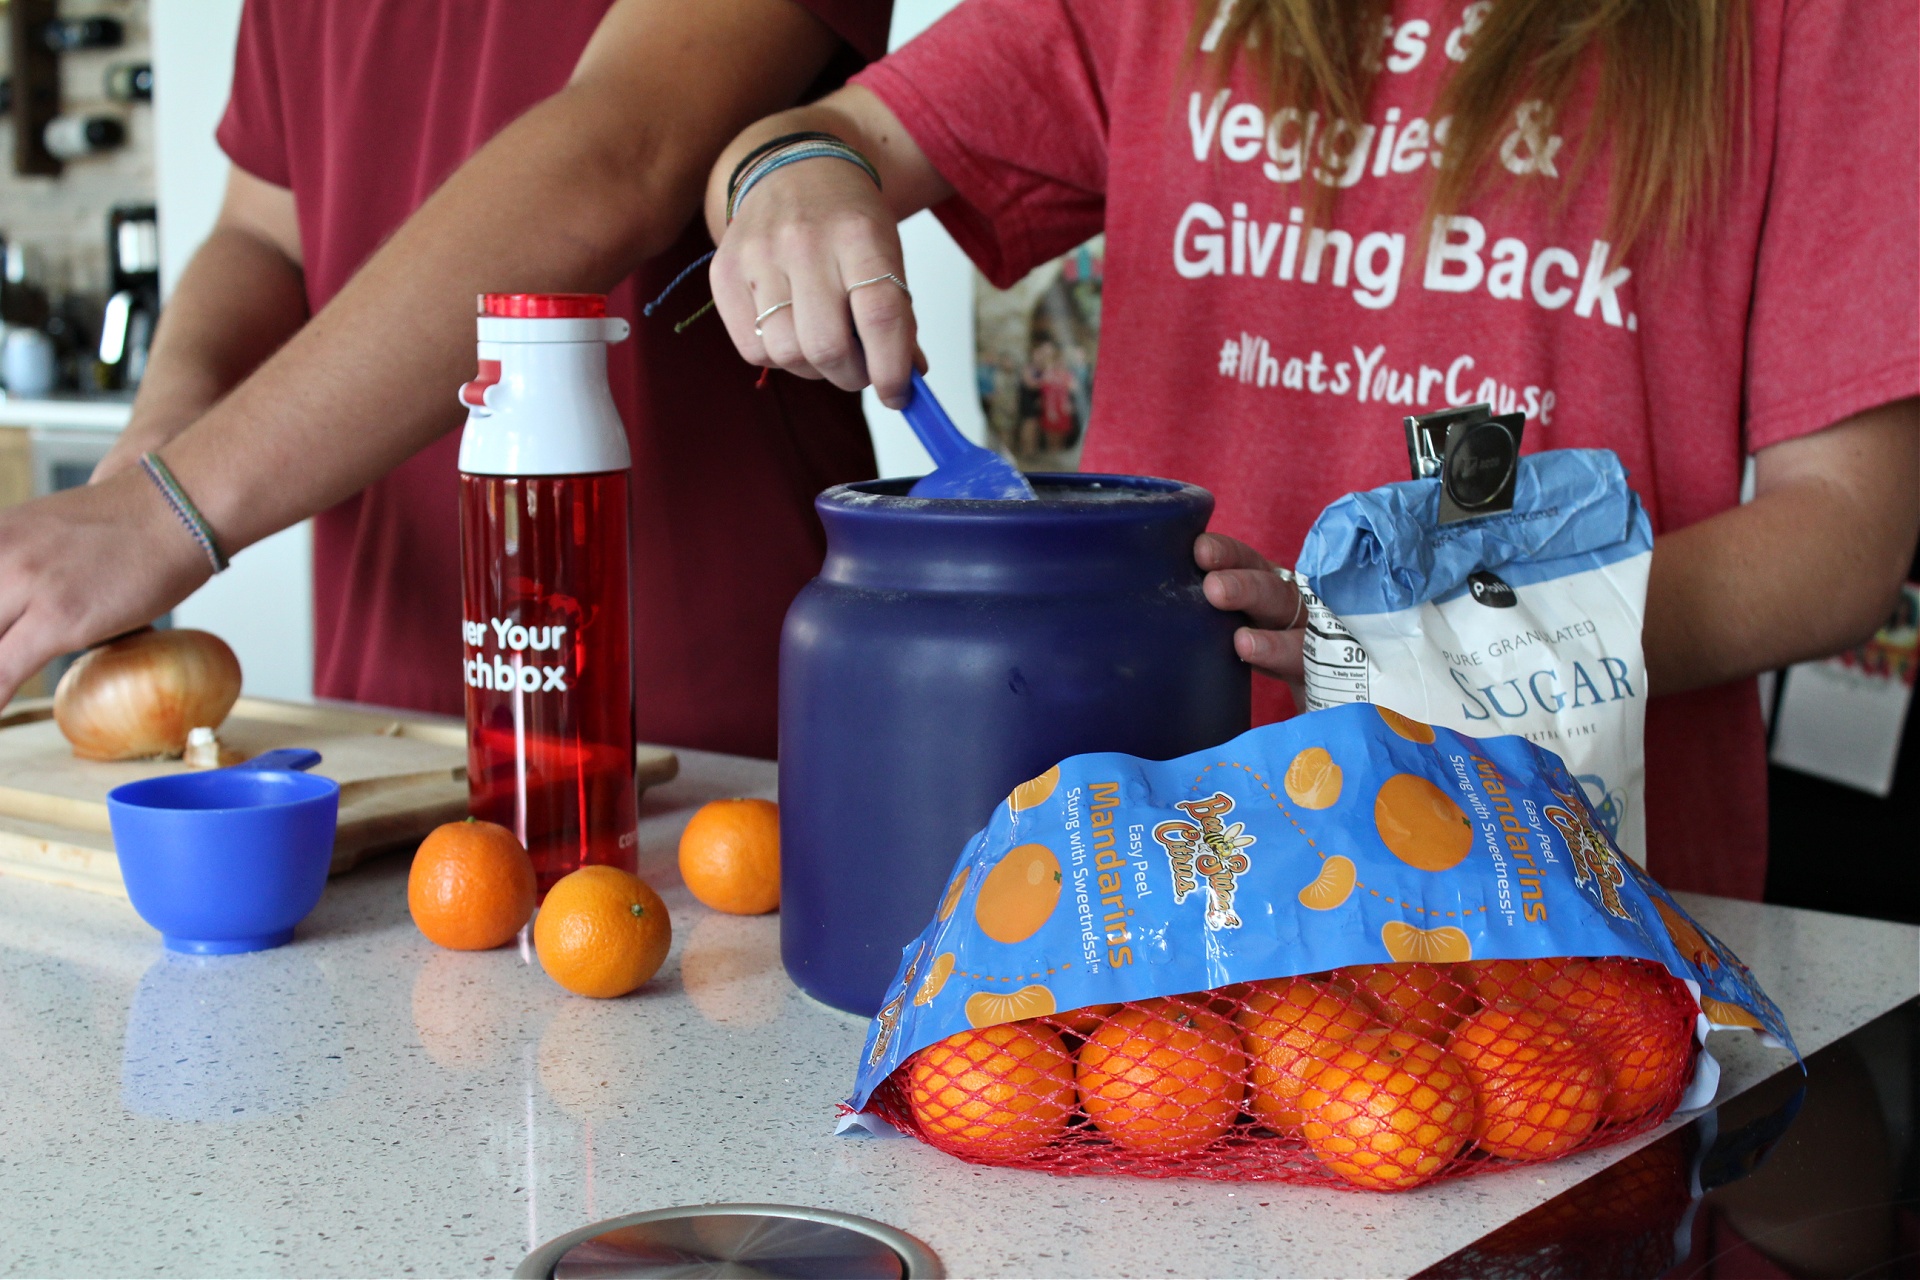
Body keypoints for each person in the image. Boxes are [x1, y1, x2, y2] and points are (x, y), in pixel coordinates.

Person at [703, 0, 1919, 897]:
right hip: (1165, 880)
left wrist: (1458, 639)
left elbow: (1847, 535)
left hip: (1568, 891)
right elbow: (822, 138)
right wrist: (789, 173)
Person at [0, 0, 890, 759]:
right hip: (383, 723)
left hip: (700, 730)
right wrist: (166, 426)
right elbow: (263, 235)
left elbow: (624, 155)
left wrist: (168, 510)